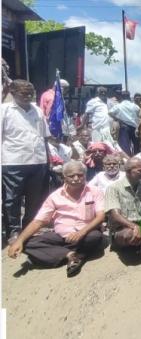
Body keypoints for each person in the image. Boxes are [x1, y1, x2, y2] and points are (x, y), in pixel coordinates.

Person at [6, 161, 105, 277]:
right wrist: (19, 241)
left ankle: (54, 254)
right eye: (71, 176)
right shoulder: (55, 196)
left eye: (80, 175)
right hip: (60, 236)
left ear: (85, 175)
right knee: (26, 242)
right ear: (64, 177)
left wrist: (80, 233)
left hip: (86, 233)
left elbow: (100, 216)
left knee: (95, 237)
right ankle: (71, 255)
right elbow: (39, 221)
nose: (76, 178)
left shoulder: (95, 191)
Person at [1, 80, 50, 244]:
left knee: (34, 198)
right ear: (13, 92)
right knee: (11, 199)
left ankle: (28, 228)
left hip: (38, 161)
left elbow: (44, 137)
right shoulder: (4, 111)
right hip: (13, 161)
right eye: (24, 93)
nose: (28, 96)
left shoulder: (37, 111)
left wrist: (47, 160)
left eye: (31, 93)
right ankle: (13, 231)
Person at [104, 157, 141, 249]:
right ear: (128, 171)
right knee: (129, 234)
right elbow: (115, 215)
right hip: (123, 228)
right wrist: (134, 226)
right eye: (140, 171)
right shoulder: (113, 188)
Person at [109, 90, 141, 156]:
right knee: (136, 145)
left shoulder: (119, 106)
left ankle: (127, 160)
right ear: (129, 97)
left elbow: (110, 112)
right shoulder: (134, 106)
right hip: (134, 128)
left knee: (125, 146)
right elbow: (139, 115)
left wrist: (118, 119)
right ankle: (137, 159)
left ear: (122, 97)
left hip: (124, 127)